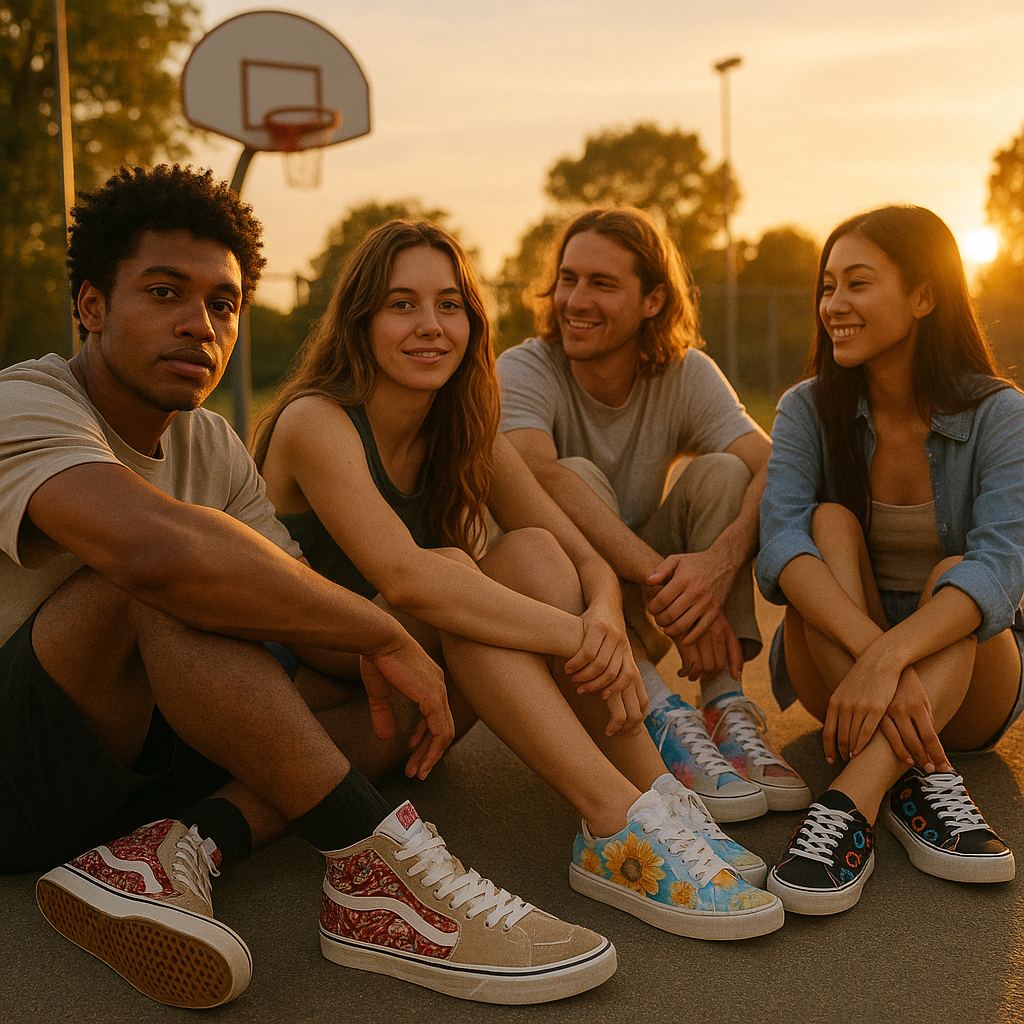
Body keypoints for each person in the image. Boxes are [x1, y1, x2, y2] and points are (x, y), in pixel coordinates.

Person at [0, 165, 620, 1009]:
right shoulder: (27, 399)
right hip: (19, 774)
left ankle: (171, 851)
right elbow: (156, 554)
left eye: (223, 305)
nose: (200, 324)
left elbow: (292, 614)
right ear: (92, 306)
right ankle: (375, 871)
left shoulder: (212, 445)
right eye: (164, 292)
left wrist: (420, 636)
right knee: (176, 576)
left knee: (403, 675)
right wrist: (384, 632)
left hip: (149, 767)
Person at [252, 219, 784, 944]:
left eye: (449, 305)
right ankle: (611, 825)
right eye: (403, 304)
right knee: (452, 573)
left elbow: (579, 554)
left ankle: (656, 802)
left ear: (472, 322)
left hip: (416, 679)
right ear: (361, 320)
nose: (430, 325)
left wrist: (605, 617)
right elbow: (406, 580)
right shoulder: (315, 420)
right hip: (322, 676)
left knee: (531, 551)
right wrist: (579, 636)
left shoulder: (463, 421)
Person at [497, 206, 810, 823]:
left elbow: (774, 465)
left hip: (651, 601)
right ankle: (654, 708)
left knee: (726, 472)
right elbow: (535, 473)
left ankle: (723, 705)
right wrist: (670, 584)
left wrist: (716, 566)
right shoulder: (526, 366)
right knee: (571, 473)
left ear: (653, 300)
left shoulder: (685, 370)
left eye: (601, 284)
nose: (575, 300)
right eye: (568, 279)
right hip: (570, 608)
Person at [757, 204, 1023, 916]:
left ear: (924, 295)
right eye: (828, 287)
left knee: (955, 576)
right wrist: (877, 660)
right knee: (827, 523)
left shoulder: (1002, 414)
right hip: (838, 674)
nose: (833, 305)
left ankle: (853, 800)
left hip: (973, 684)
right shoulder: (806, 408)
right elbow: (780, 545)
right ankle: (917, 784)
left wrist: (892, 659)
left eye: (858, 283)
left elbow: (1001, 568)